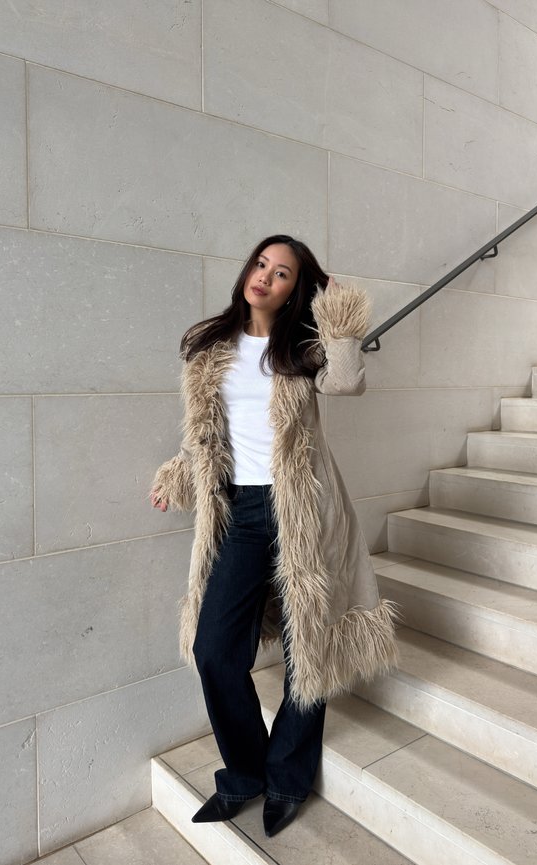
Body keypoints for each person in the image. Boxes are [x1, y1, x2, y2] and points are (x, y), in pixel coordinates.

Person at [150, 234, 399, 838]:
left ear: (296, 289)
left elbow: (348, 382)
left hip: (303, 509)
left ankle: (288, 776)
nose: (264, 277)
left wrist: (337, 316)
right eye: (261, 264)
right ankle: (243, 773)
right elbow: (207, 434)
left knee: (305, 649)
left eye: (282, 272)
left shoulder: (303, 349)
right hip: (239, 512)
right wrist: (179, 474)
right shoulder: (211, 345)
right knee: (214, 650)